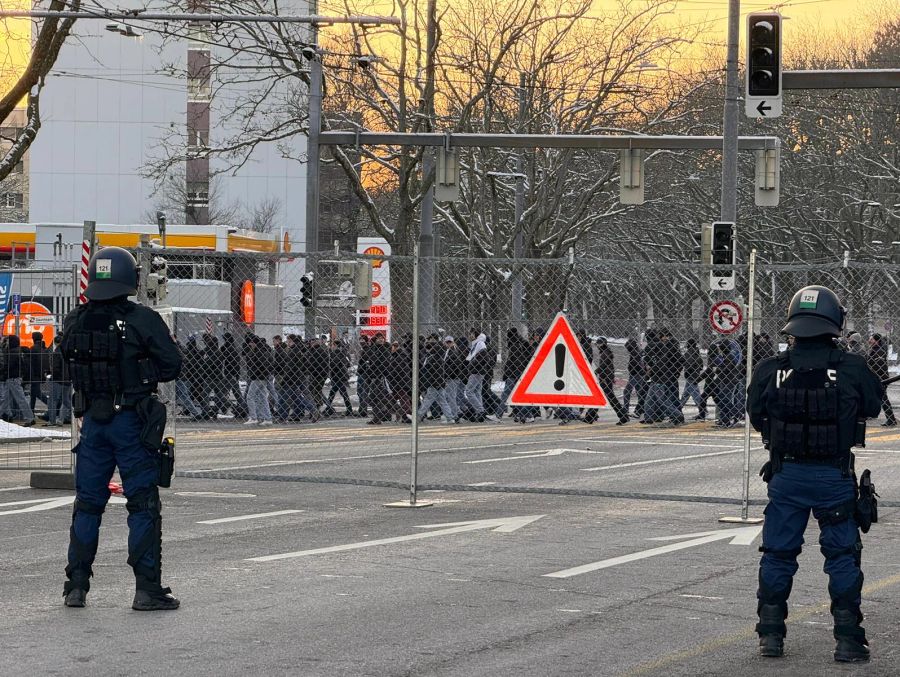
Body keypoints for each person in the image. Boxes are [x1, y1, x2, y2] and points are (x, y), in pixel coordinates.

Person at [747, 285, 882, 662]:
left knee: (777, 555)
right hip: (832, 477)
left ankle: (770, 636)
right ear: (834, 322)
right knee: (841, 556)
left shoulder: (769, 369)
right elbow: (872, 406)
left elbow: (756, 413)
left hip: (786, 474)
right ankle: (848, 640)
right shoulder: (851, 367)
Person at [60, 246, 183, 611]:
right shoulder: (142, 319)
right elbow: (171, 365)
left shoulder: (76, 319)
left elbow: (63, 359)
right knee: (142, 504)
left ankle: (76, 586)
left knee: (87, 505)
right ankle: (147, 589)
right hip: (131, 421)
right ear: (129, 279)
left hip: (93, 424)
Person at [585, 337, 629, 424]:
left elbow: (603, 366)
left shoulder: (605, 353)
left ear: (602, 344)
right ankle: (589, 417)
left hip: (605, 379)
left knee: (607, 398)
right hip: (606, 378)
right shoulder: (606, 352)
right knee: (605, 398)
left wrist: (596, 371)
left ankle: (623, 416)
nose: (597, 346)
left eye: (598, 344)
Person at [866, 333, 896, 427]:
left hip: (881, 379)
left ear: (876, 341)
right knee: (878, 397)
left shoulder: (879, 351)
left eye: (871, 339)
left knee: (883, 399)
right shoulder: (875, 350)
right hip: (878, 378)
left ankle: (891, 419)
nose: (869, 341)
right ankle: (874, 414)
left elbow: (878, 367)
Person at [47, 335, 72, 426]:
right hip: (68, 380)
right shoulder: (69, 352)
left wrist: (52, 376)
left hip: (57, 380)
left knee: (53, 400)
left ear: (55, 343)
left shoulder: (56, 352)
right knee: (66, 400)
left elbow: (55, 368)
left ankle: (52, 420)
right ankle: (75, 412)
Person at [324, 340, 354, 416]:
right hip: (341, 376)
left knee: (338, 393)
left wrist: (330, 366)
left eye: (333, 345)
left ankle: (329, 408)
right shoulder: (343, 353)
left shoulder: (336, 353)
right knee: (337, 393)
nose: (331, 347)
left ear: (336, 345)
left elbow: (334, 364)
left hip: (338, 376)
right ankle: (329, 408)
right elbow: (348, 364)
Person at [622, 338, 647, 419]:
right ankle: (642, 409)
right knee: (640, 393)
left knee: (626, 391)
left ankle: (625, 409)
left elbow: (635, 365)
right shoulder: (637, 351)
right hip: (638, 374)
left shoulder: (634, 353)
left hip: (635, 375)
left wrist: (631, 369)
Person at [680, 338, 705, 417]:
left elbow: (687, 363)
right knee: (686, 394)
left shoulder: (689, 353)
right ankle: (678, 409)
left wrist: (687, 372)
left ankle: (703, 411)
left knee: (695, 395)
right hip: (695, 374)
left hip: (690, 375)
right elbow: (701, 364)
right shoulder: (696, 352)